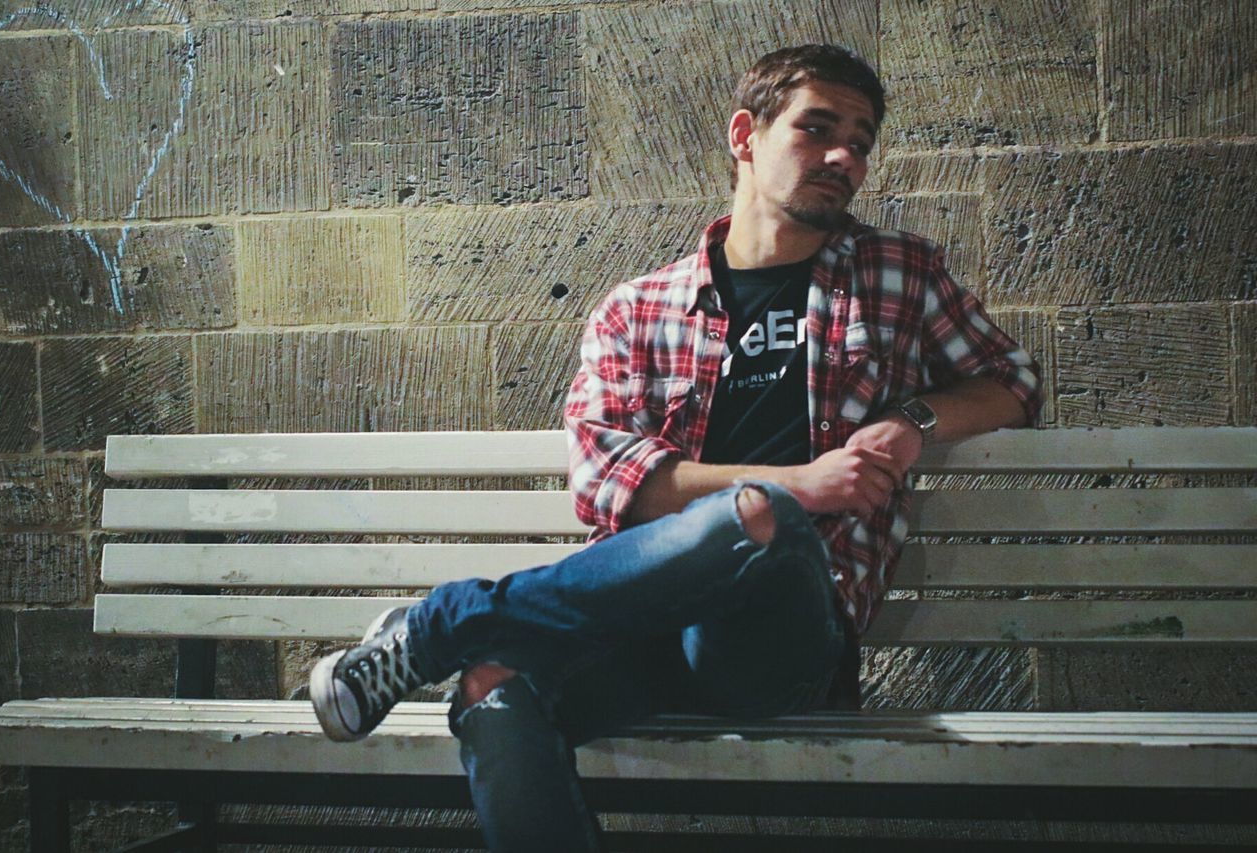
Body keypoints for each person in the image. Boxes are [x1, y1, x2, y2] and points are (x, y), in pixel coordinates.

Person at [310, 44, 1042, 852]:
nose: (844, 156)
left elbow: (1013, 382)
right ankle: (457, 640)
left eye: (861, 141)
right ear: (745, 135)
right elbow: (605, 484)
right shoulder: (637, 309)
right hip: (643, 629)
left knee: (761, 519)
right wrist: (809, 479)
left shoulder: (898, 273)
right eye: (818, 128)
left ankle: (435, 626)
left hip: (787, 636)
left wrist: (912, 423)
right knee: (492, 684)